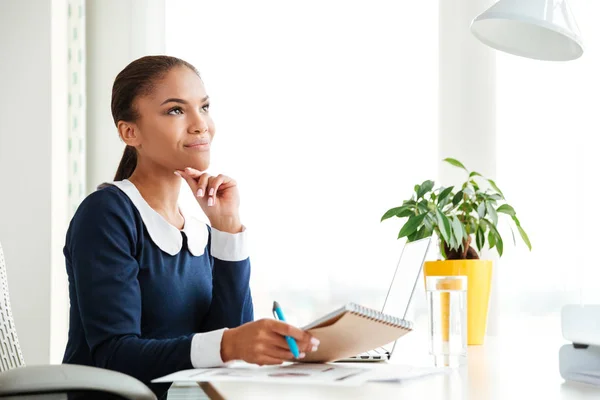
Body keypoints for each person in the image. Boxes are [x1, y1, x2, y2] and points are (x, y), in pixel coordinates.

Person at [62, 55, 319, 398]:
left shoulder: (198, 231)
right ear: (130, 131)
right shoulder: (107, 213)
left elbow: (229, 348)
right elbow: (114, 356)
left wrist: (227, 230)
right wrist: (230, 345)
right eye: (176, 110)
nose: (201, 125)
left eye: (205, 107)